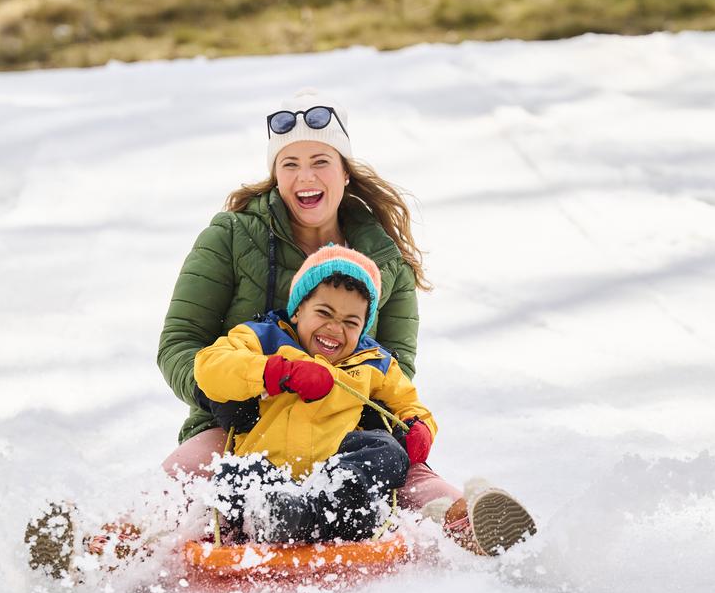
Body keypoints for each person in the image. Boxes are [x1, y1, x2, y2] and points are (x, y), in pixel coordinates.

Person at [156, 88, 534, 555]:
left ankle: (471, 524)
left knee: (400, 467)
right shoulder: (232, 236)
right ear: (275, 174)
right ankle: (112, 545)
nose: (305, 177)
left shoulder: (383, 260)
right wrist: (247, 389)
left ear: (345, 172)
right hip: (240, 422)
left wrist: (407, 424)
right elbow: (181, 342)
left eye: (320, 161)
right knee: (189, 470)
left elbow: (396, 367)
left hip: (342, 421)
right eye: (289, 164)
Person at [194, 245, 435, 543]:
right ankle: (277, 515)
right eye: (324, 313)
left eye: (351, 322)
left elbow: (407, 401)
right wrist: (277, 372)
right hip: (268, 466)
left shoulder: (374, 361)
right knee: (233, 473)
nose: (335, 328)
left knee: (385, 451)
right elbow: (209, 367)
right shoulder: (265, 338)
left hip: (335, 474)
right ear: (297, 312)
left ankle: (328, 514)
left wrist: (418, 426)